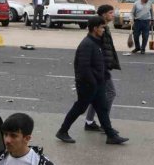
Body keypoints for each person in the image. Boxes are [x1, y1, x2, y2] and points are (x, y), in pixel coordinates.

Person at [55, 16, 128, 145]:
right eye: (101, 28)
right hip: (87, 84)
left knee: (102, 109)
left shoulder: (95, 41)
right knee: (79, 108)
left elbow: (98, 63)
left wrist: (102, 76)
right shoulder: (87, 44)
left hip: (97, 83)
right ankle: (62, 131)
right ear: (95, 28)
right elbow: (83, 67)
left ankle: (111, 136)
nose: (103, 30)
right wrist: (93, 83)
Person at [83, 5, 120, 133]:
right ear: (103, 14)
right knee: (110, 93)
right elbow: (98, 49)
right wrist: (102, 67)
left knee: (96, 95)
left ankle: (89, 121)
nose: (112, 15)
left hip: (102, 67)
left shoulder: (104, 27)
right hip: (101, 68)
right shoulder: (99, 28)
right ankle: (105, 123)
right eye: (110, 13)